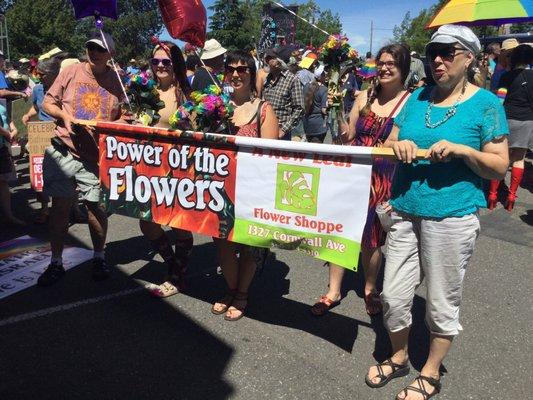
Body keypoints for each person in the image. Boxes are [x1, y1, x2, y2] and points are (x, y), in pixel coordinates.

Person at [364, 25, 509, 400]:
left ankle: (429, 372)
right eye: (433, 53)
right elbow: (391, 141)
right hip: (405, 208)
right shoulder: (417, 98)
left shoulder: (487, 105)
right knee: (393, 297)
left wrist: (464, 152)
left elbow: (498, 166)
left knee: (442, 300)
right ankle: (398, 357)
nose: (438, 60)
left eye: (448, 52)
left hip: (451, 214)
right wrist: (402, 145)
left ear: (470, 58)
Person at [311, 44, 411, 317]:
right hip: (352, 172)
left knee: (371, 238)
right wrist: (337, 112)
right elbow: (348, 135)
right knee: (339, 231)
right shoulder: (363, 96)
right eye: (381, 63)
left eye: (392, 63)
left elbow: (394, 144)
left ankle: (370, 289)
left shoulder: (409, 102)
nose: (385, 68)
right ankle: (334, 290)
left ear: (403, 68)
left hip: (381, 176)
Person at [37, 32, 124, 286]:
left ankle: (99, 256)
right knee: (60, 207)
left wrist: (109, 126)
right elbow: (48, 103)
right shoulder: (72, 71)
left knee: (96, 208)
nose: (94, 52)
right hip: (62, 148)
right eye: (90, 47)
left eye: (100, 49)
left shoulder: (117, 80)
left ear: (111, 54)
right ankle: (56, 262)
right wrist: (64, 117)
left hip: (95, 156)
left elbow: (128, 117)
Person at [211, 50, 279, 321]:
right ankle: (230, 289)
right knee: (224, 245)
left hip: (252, 190)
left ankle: (242, 293)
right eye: (231, 69)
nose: (236, 74)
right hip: (220, 188)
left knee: (249, 244)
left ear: (252, 74)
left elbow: (273, 154)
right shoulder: (215, 105)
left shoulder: (264, 109)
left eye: (243, 70)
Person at [143, 39, 194, 298]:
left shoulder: (184, 94)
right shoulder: (143, 91)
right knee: (147, 223)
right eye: (155, 61)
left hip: (175, 168)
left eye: (166, 61)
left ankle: (176, 276)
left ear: (175, 64)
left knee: (178, 223)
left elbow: (196, 130)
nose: (160, 66)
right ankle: (174, 265)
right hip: (147, 166)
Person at [489, 44, 533, 211]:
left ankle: (492, 194)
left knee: (502, 157)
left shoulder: (506, 77)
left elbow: (499, 101)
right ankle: (512, 196)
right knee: (519, 159)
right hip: (527, 122)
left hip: (507, 119)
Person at [21, 57, 61, 224]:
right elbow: (36, 107)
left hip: (59, 133)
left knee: (64, 175)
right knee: (40, 174)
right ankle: (45, 209)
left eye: (41, 74)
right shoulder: (38, 89)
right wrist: (28, 115)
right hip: (41, 133)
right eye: (37, 73)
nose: (38, 77)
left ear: (53, 74)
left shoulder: (63, 87)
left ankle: (72, 208)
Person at [262, 48, 304, 140]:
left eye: (269, 58)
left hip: (282, 134)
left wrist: (284, 130)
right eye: (266, 58)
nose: (265, 60)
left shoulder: (292, 80)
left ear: (278, 62)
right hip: (266, 130)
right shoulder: (267, 79)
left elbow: (299, 109)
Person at [0, 96, 23, 226]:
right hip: (3, 143)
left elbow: (8, 120)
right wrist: (8, 134)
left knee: (3, 182)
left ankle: (8, 215)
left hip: (2, 147)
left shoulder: (1, 104)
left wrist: (14, 130)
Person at [302, 64, 328, 143]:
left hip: (307, 124)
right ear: (321, 76)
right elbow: (324, 110)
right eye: (324, 73)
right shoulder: (324, 89)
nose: (326, 75)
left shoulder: (306, 86)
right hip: (319, 125)